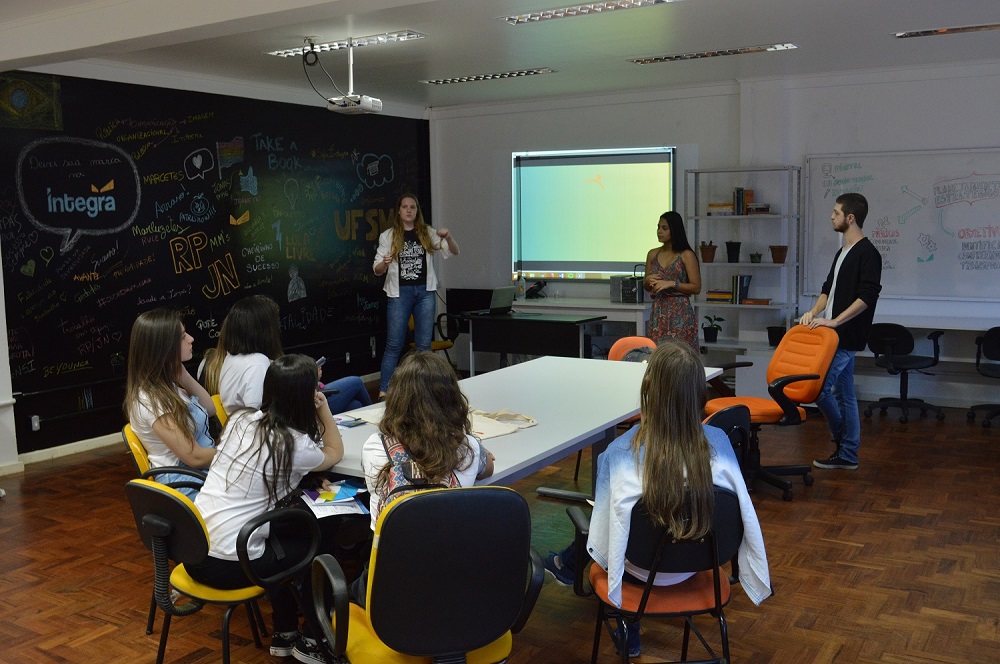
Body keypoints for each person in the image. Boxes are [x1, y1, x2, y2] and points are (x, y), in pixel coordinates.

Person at [543, 341, 770, 658]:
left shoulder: (620, 452)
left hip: (638, 571)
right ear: (700, 393)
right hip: (697, 564)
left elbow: (606, 538)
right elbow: (742, 511)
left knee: (613, 523)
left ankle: (626, 624)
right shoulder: (720, 444)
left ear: (649, 389)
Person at [187, 354, 344, 662]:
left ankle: (284, 631)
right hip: (233, 564)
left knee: (283, 534)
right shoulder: (294, 443)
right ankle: (313, 640)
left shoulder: (241, 420)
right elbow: (334, 451)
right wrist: (323, 408)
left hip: (195, 551)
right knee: (322, 535)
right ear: (306, 397)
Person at [352, 351, 494, 605]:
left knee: (350, 587)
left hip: (392, 594)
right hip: (456, 589)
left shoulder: (375, 446)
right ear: (452, 399)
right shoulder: (468, 448)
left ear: (396, 399)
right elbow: (488, 468)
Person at [800, 192, 882, 471]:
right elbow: (828, 289)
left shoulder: (868, 253)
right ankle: (848, 453)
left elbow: (867, 297)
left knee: (819, 389)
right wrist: (814, 311)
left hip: (846, 336)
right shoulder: (843, 251)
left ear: (850, 218)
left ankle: (841, 439)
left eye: (836, 213)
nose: (831, 217)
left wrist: (836, 322)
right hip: (833, 335)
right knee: (844, 394)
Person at [202, 294, 372, 416]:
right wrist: (308, 380)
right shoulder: (257, 363)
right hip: (288, 420)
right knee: (356, 382)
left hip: (255, 423)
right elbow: (260, 413)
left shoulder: (232, 358)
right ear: (263, 330)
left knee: (354, 405)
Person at [372, 193, 459, 398]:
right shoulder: (388, 236)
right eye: (405, 207)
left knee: (424, 346)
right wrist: (385, 262)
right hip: (399, 293)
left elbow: (454, 251)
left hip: (424, 292)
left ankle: (424, 390)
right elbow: (377, 270)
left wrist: (448, 237)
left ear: (417, 210)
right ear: (399, 211)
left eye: (413, 207)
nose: (409, 210)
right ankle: (384, 390)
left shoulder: (427, 232)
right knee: (394, 344)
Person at [125, 308, 217, 498]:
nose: (191, 339)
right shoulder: (151, 399)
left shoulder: (167, 386)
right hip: (188, 483)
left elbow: (209, 409)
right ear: (163, 347)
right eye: (182, 337)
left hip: (201, 474)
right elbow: (194, 457)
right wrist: (234, 455)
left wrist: (183, 375)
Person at [643, 211, 702, 352]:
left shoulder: (686, 255)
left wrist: (672, 283)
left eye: (664, 228)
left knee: (681, 354)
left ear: (674, 230)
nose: (659, 232)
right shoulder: (652, 254)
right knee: (658, 354)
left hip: (680, 313)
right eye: (658, 227)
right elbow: (646, 286)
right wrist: (647, 280)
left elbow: (696, 287)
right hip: (658, 312)